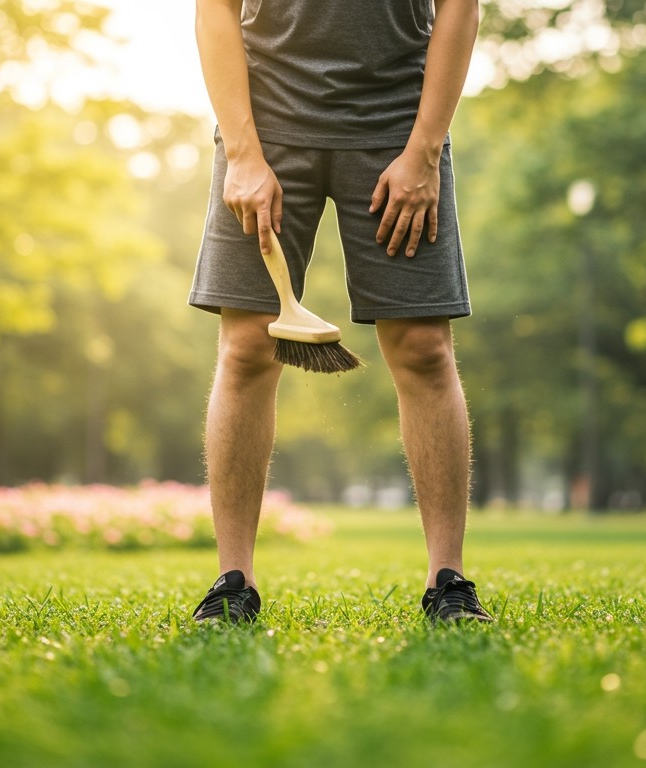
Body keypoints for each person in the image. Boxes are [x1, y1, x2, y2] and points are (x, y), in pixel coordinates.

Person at [187, 0, 492, 624]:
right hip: (264, 123)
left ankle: (449, 583)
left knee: (424, 350)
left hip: (398, 128)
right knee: (246, 348)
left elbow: (460, 6)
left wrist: (425, 152)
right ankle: (232, 583)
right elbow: (214, 8)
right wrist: (243, 154)